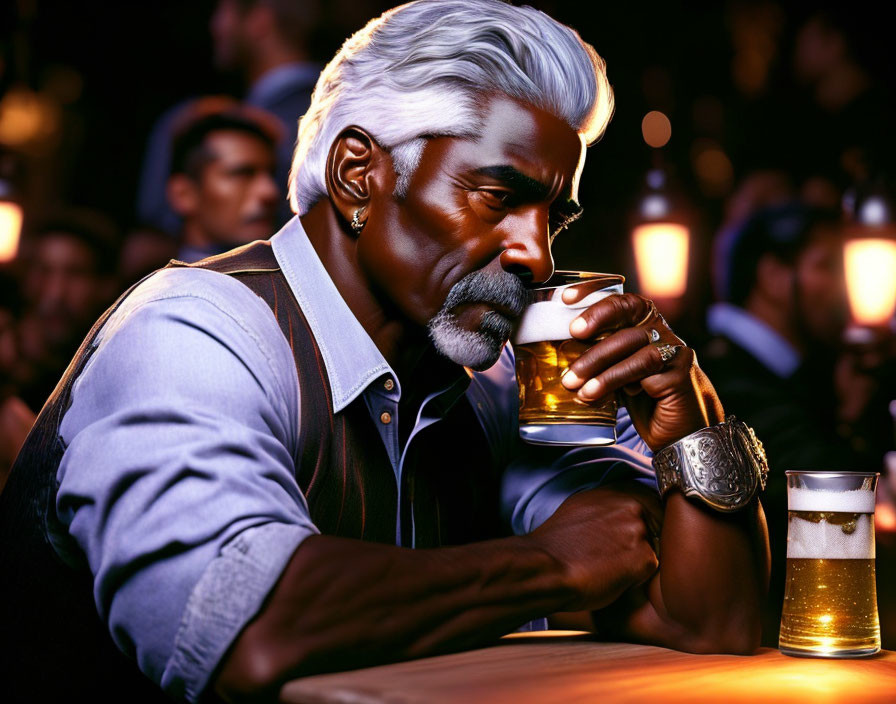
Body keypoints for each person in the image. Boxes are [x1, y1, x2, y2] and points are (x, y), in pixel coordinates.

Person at [0, 2, 770, 702]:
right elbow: (244, 630)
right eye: (499, 198)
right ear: (358, 175)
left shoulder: (493, 381)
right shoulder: (194, 335)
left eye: (552, 219)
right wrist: (549, 564)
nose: (536, 255)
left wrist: (696, 426)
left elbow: (708, 625)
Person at [700, 200, 874, 644]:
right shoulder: (729, 382)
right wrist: (853, 422)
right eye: (828, 266)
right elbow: (831, 517)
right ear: (774, 274)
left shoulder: (789, 375)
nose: (848, 284)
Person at [137, 0, 322, 233]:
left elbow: (156, 231)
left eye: (222, 11)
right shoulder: (340, 104)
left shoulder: (196, 122)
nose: (215, 26)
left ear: (259, 20)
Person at [13, 209, 119, 413]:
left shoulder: (105, 383)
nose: (56, 294)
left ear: (105, 286)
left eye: (75, 274)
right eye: (44, 271)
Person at [166, 99, 281, 262]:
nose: (270, 191)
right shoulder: (162, 286)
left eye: (272, 174)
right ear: (184, 194)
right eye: (242, 174)